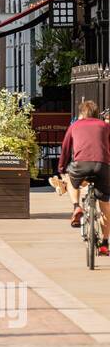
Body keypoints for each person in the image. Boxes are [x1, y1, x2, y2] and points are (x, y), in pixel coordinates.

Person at [58, 98, 110, 254]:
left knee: (71, 180)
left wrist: (61, 169)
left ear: (82, 113)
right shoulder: (105, 126)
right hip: (102, 165)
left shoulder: (74, 126)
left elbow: (66, 149)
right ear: (96, 114)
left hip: (80, 166)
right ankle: (104, 244)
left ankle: (76, 207)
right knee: (105, 205)